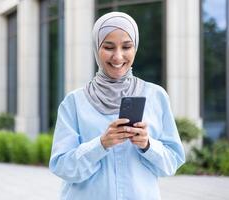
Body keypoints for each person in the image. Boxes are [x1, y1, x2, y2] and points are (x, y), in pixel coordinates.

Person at [49, 12, 185, 200]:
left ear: (135, 48)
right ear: (97, 48)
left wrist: (147, 144)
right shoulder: (74, 102)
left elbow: (172, 163)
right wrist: (101, 144)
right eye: (108, 47)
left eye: (127, 46)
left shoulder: (156, 96)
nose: (118, 56)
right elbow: (62, 166)